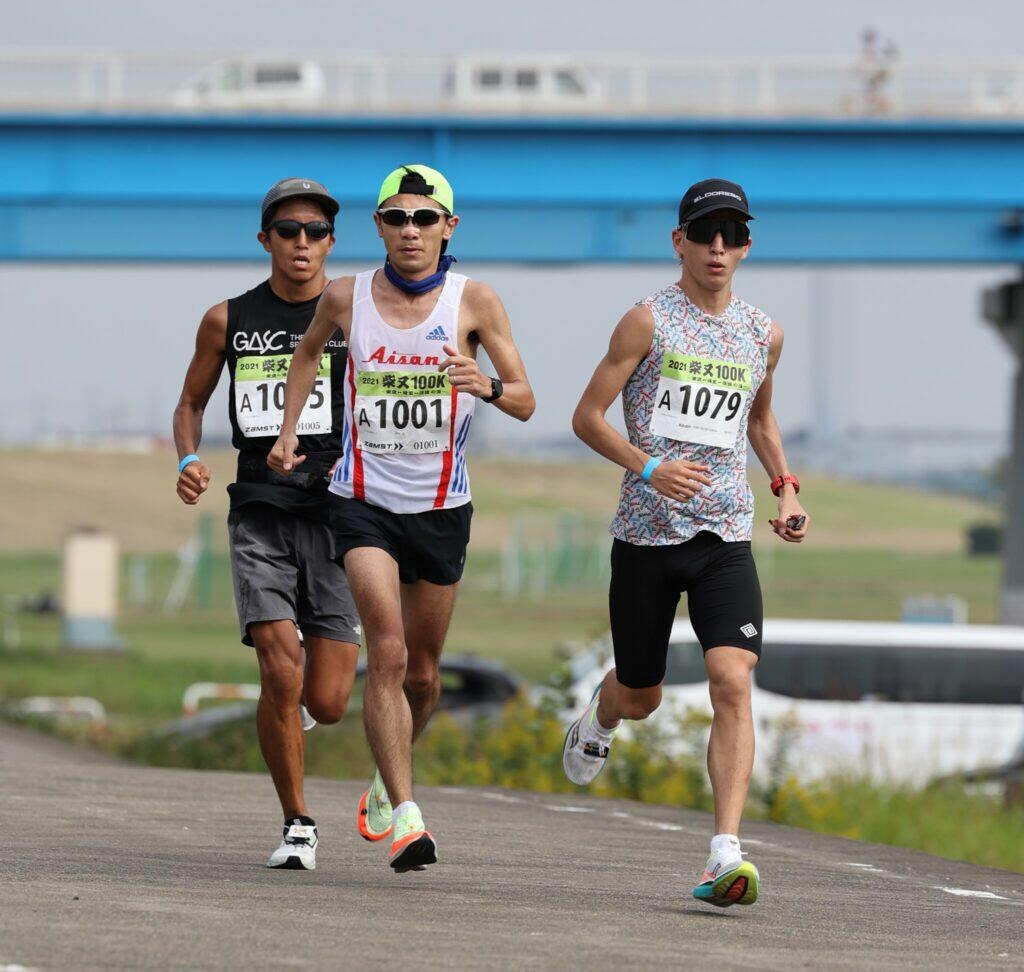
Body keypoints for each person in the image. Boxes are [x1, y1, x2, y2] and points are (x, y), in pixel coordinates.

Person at [269, 164, 535, 872]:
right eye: (396, 218)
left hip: (442, 508)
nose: (410, 230)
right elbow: (305, 356)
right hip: (362, 501)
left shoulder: (474, 300)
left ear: (449, 227)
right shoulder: (345, 296)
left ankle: (388, 782)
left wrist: (487, 383)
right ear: (379, 226)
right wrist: (289, 432)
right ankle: (410, 820)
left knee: (422, 675)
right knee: (385, 652)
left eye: (424, 218)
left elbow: (526, 400)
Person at [563, 178, 809, 908]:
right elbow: (586, 416)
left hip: (725, 534)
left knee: (733, 679)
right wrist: (648, 467)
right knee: (643, 696)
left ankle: (725, 850)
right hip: (646, 534)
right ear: (679, 242)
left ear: (748, 246)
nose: (717, 248)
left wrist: (786, 487)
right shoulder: (646, 322)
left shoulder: (763, 334)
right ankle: (604, 712)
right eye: (704, 234)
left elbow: (758, 419)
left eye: (732, 235)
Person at [173, 177, 362, 871]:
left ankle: (296, 709)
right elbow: (190, 403)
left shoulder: (357, 313)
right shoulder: (227, 319)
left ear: (332, 242)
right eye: (288, 231)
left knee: (329, 702)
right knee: (280, 672)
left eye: (316, 231)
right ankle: (298, 822)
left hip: (338, 513)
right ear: (265, 240)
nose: (302, 243)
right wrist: (189, 457)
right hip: (259, 509)